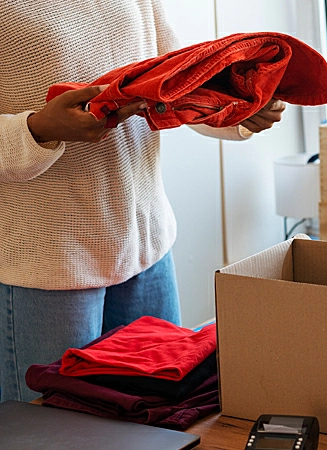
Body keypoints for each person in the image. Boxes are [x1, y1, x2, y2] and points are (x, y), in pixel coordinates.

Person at [0, 1, 286, 402]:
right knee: (59, 438)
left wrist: (234, 110)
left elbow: (174, 84)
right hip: (45, 268)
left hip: (146, 252)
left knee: (162, 423)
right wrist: (40, 128)